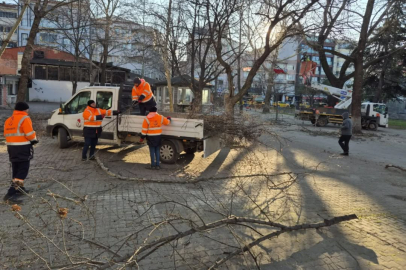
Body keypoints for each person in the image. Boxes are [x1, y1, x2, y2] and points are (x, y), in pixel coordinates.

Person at [3, 102, 38, 199]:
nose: (28, 111)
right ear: (24, 110)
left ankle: (18, 189)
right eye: (27, 109)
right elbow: (30, 134)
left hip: (11, 148)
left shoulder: (8, 120)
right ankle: (11, 192)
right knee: (23, 170)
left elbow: (6, 134)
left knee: (16, 168)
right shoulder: (25, 118)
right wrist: (34, 140)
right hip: (22, 148)